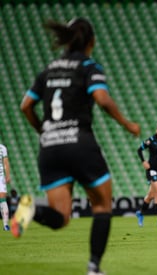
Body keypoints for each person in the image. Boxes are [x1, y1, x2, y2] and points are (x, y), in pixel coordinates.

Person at [15, 18, 140, 275]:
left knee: (60, 218)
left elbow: (25, 105)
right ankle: (94, 267)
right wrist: (127, 124)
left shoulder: (48, 70)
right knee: (102, 205)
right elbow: (102, 99)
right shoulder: (88, 66)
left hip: (50, 148)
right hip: (79, 143)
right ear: (91, 42)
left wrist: (43, 130)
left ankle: (30, 208)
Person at [0, 143, 11, 231]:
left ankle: (6, 224)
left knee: (3, 200)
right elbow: (6, 162)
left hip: (1, 177)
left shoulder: (2, 147)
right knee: (2, 201)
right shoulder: (2, 147)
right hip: (1, 177)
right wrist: (7, 175)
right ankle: (6, 225)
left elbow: (6, 162)